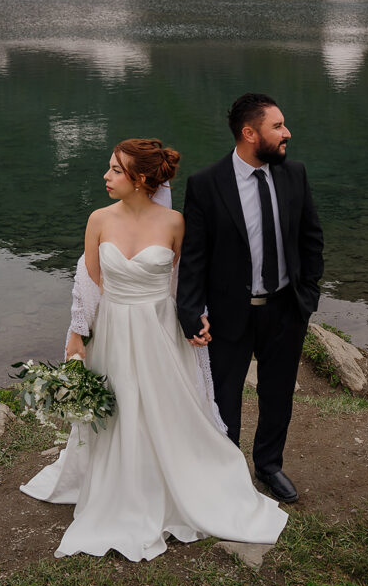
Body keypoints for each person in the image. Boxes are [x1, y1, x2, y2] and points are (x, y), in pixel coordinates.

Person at [20, 138, 287, 561]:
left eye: (114, 170)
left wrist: (196, 320)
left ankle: (175, 483)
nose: (106, 177)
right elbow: (88, 284)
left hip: (160, 330)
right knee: (119, 405)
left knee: (165, 407)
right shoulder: (98, 219)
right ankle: (119, 485)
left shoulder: (175, 222)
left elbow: (186, 283)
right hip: (113, 328)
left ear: (140, 178)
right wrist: (76, 337)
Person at [176, 94, 324, 504]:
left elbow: (311, 240)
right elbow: (194, 256)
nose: (286, 133)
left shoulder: (295, 174)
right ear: (249, 133)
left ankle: (269, 465)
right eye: (277, 126)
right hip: (228, 314)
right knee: (225, 394)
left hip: (285, 310)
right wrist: (189, 310)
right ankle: (226, 468)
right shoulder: (206, 184)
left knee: (278, 393)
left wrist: (306, 296)